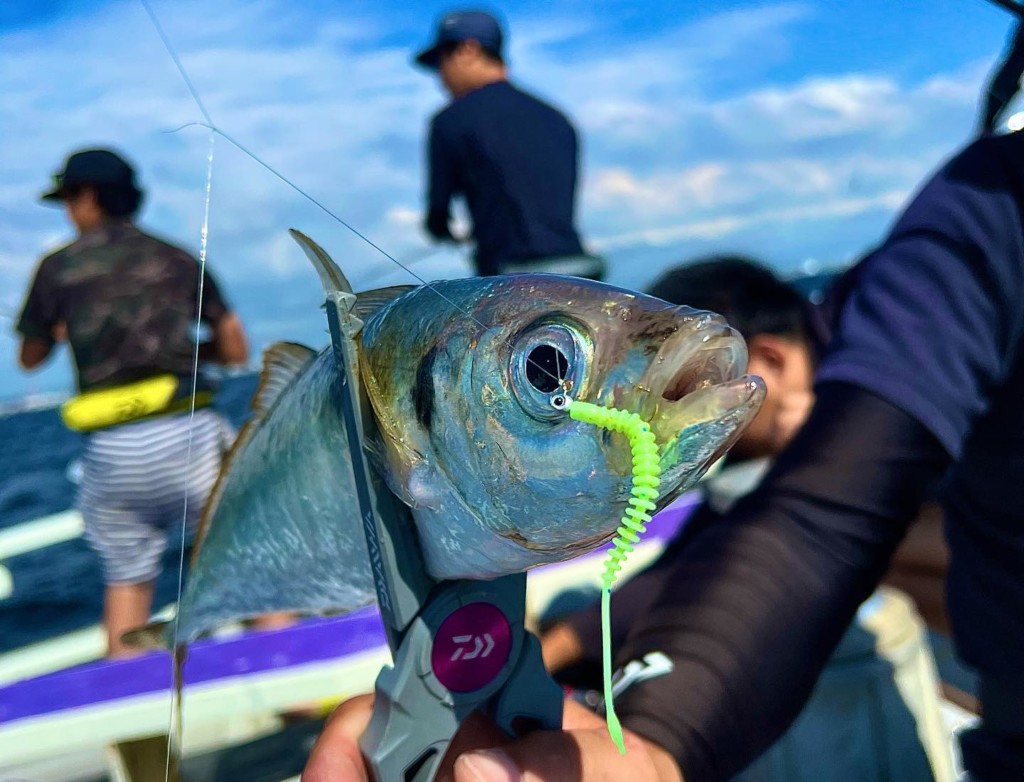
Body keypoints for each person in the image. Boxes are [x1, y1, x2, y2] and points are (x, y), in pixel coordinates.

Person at [15, 147, 249, 657]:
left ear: (88, 197)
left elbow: (29, 360)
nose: (68, 211)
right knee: (245, 557)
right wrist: (196, 351)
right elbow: (235, 349)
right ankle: (288, 666)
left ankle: (127, 690)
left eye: (68, 199)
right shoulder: (177, 257)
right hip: (191, 438)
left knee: (126, 580)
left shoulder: (56, 268)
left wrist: (59, 332)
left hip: (114, 454)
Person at [541, 256, 822, 678]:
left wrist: (827, 455)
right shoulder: (750, 455)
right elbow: (688, 557)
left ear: (770, 361)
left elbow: (709, 563)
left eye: (680, 393)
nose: (660, 420)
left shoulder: (866, 412)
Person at [412, 9, 605, 280]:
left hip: (512, 281)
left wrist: (444, 231)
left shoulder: (449, 121)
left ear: (467, 50)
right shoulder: (557, 118)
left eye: (441, 62)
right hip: (578, 274)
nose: (440, 76)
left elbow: (437, 216)